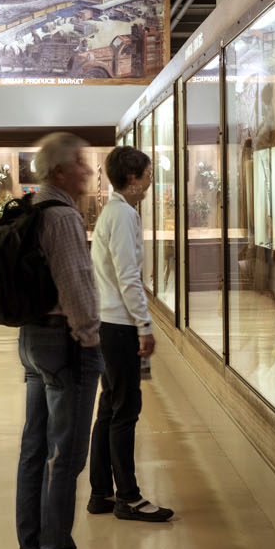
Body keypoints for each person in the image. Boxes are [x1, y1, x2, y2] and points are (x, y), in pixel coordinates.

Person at [15, 132, 114, 549]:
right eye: (80, 162)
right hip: (66, 345)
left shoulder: (34, 208)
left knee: (35, 449)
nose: (89, 170)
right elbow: (76, 285)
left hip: (34, 340)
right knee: (66, 455)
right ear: (58, 171)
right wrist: (91, 341)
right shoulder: (63, 217)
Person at [86, 146, 173, 522]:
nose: (152, 179)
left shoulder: (116, 212)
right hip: (119, 325)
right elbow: (128, 277)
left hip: (109, 323)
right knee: (125, 410)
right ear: (134, 178)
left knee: (109, 408)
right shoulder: (122, 214)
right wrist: (144, 325)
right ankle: (128, 497)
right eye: (149, 173)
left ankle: (101, 493)